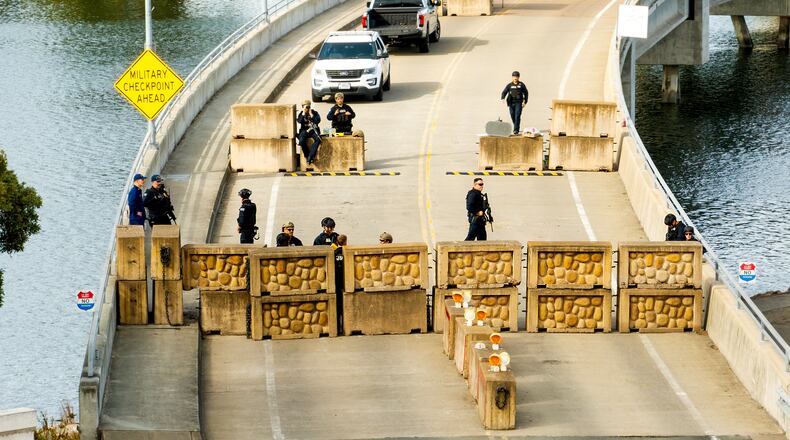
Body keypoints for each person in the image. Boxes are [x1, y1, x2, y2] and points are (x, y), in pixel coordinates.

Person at [500, 71, 529, 135]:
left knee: (517, 116)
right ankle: (516, 125)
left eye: (517, 77)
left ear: (519, 77)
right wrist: (502, 98)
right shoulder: (509, 85)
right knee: (512, 115)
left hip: (519, 102)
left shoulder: (521, 85)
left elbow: (526, 93)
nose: (515, 78)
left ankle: (516, 130)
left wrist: (525, 101)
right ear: (512, 77)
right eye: (514, 77)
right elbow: (504, 92)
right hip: (511, 103)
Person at [297, 100, 322, 165]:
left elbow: (318, 121)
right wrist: (303, 113)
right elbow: (299, 121)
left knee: (318, 139)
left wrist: (311, 115)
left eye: (308, 107)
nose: (307, 108)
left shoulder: (314, 113)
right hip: (304, 130)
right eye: (305, 107)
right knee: (301, 141)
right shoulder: (301, 114)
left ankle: (311, 156)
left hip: (313, 130)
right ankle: (307, 155)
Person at [334, 234, 347, 330]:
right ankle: (344, 326)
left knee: (338, 306)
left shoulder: (334, 252)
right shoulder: (346, 252)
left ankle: (338, 327)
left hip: (336, 282)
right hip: (345, 281)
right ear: (345, 242)